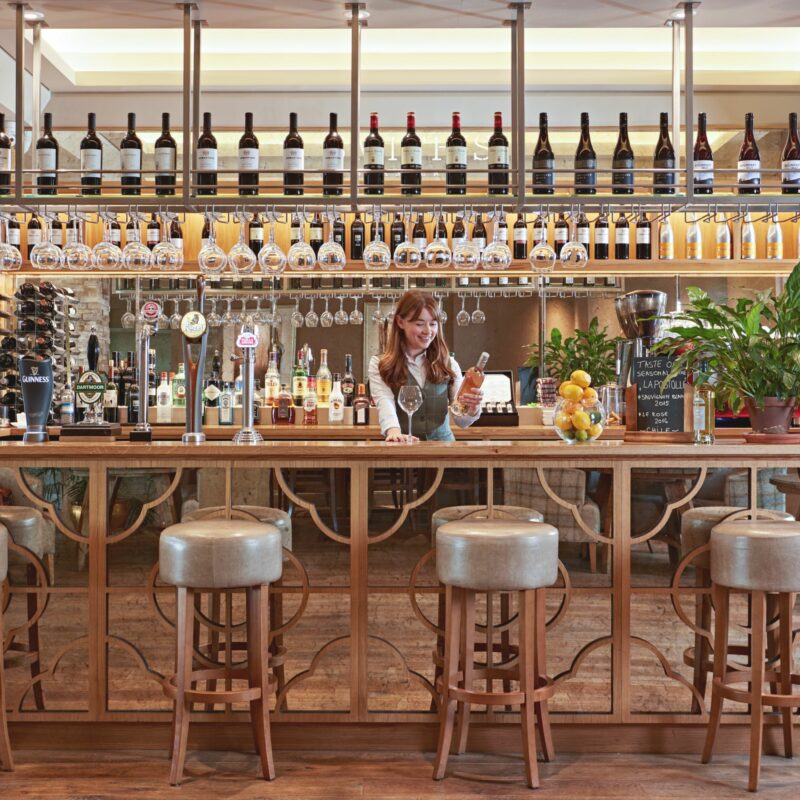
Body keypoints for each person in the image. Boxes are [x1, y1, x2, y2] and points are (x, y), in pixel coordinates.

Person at [368, 290, 483, 442]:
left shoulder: (448, 364)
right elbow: (385, 402)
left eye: (433, 324)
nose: (428, 331)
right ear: (400, 322)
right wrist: (393, 431)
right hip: (403, 450)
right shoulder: (380, 364)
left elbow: (461, 422)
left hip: (444, 452)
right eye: (419, 324)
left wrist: (473, 409)